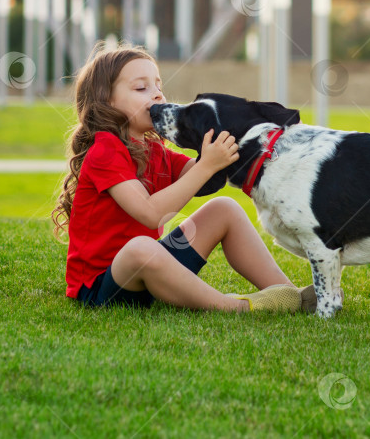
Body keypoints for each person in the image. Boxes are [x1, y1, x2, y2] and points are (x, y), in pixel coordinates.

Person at [51, 44, 305, 312]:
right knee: (141, 248)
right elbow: (150, 213)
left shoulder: (155, 150)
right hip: (103, 287)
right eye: (141, 88)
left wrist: (223, 145)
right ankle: (234, 307)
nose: (158, 95)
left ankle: (290, 295)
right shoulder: (104, 151)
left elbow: (202, 179)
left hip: (152, 270)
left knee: (224, 209)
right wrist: (206, 165)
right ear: (106, 101)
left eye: (158, 86)